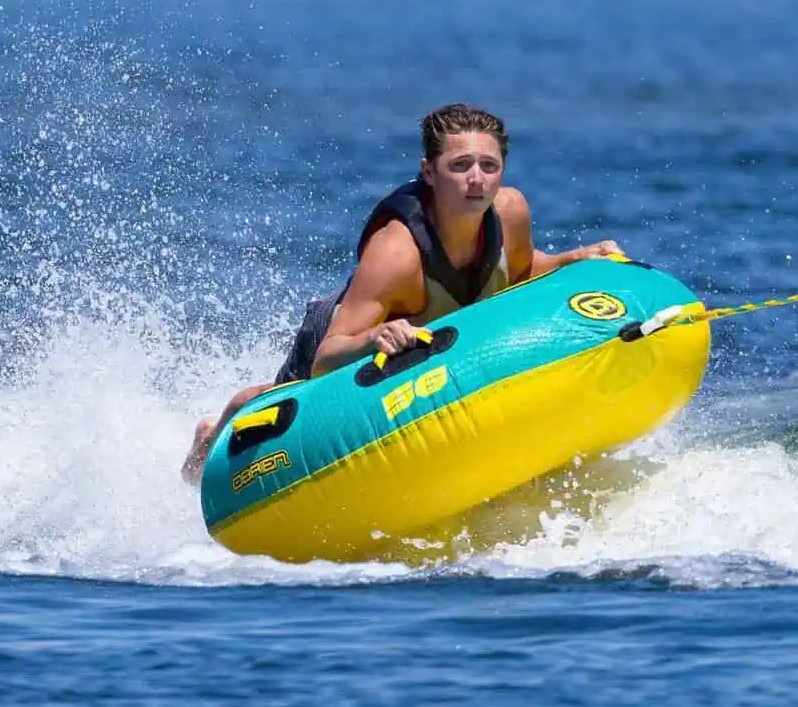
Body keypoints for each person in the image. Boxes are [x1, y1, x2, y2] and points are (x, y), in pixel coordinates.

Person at [183, 103, 622, 481]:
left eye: (489, 166)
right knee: (271, 411)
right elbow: (326, 357)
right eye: (460, 166)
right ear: (429, 171)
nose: (476, 179)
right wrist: (374, 337)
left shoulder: (511, 213)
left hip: (423, 346)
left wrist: (573, 259)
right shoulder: (395, 253)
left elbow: (519, 274)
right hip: (344, 331)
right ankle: (211, 437)